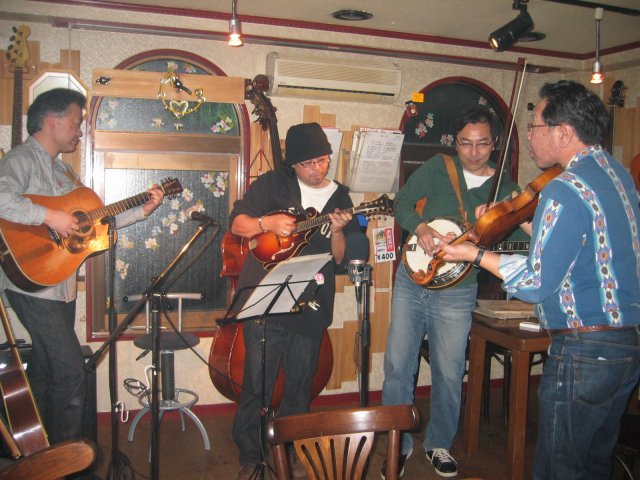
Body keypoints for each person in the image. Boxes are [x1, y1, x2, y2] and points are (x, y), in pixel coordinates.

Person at [440, 80, 640, 479]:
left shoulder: (563, 188)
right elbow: (578, 246)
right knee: (593, 465)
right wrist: (521, 222)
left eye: (534, 126)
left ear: (563, 132)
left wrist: (474, 254)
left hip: (584, 348)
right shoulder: (617, 175)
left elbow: (536, 282)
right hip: (625, 344)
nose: (528, 136)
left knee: (558, 468)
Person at [0, 89, 164, 458]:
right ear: (52, 121)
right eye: (76, 122)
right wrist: (48, 216)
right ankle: (68, 461)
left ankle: (38, 455)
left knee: (46, 369)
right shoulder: (22, 159)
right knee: (72, 370)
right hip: (31, 286)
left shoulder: (63, 170)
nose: (79, 131)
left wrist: (142, 210)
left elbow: (92, 223)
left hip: (59, 284)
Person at [381, 108, 528, 478]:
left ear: (495, 144)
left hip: (458, 291)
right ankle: (398, 444)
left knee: (448, 372)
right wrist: (421, 228)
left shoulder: (506, 190)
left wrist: (503, 227)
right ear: (455, 143)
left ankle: (439, 444)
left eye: (482, 144)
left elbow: (514, 243)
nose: (473, 152)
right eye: (465, 143)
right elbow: (401, 203)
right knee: (398, 365)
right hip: (412, 280)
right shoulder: (437, 167)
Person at [228, 122, 368, 480]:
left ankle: (291, 451)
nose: (317, 169)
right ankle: (251, 453)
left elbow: (339, 259)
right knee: (257, 383)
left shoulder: (340, 197)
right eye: (308, 163)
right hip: (265, 296)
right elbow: (237, 224)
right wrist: (266, 222)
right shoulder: (273, 184)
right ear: (293, 164)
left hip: (311, 301)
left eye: (323, 160)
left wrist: (338, 231)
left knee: (300, 385)